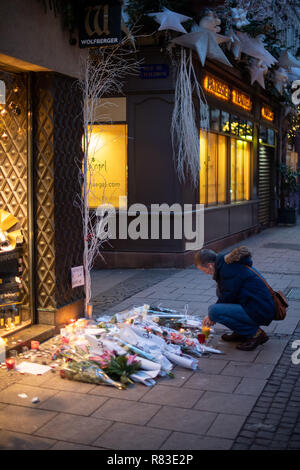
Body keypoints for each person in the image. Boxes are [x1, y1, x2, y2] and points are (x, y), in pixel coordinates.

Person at [194, 246, 276, 351]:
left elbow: (228, 297)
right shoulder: (226, 266)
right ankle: (241, 332)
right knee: (215, 308)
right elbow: (227, 296)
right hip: (255, 306)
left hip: (260, 310)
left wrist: (211, 316)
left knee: (214, 311)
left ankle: (255, 334)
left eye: (204, 270)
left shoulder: (228, 269)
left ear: (210, 265)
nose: (206, 273)